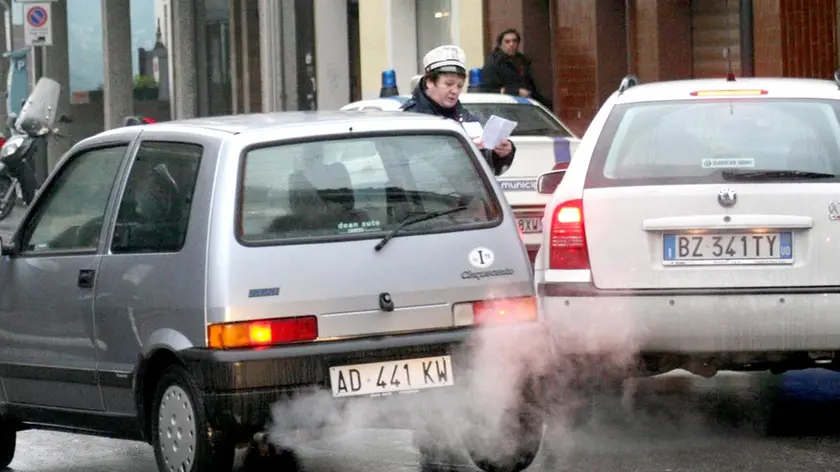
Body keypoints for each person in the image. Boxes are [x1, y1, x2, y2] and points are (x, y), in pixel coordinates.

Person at [400, 45, 516, 176]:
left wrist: (500, 153)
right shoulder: (411, 117)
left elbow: (486, 166)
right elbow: (408, 166)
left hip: (466, 194)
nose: (455, 91)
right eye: (449, 84)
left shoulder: (464, 117)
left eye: (459, 86)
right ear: (430, 82)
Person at [481, 28, 550, 108]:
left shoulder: (522, 61)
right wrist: (516, 92)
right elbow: (488, 91)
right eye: (507, 41)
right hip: (503, 106)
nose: (511, 44)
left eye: (514, 41)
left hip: (524, 104)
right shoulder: (493, 63)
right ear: (500, 44)